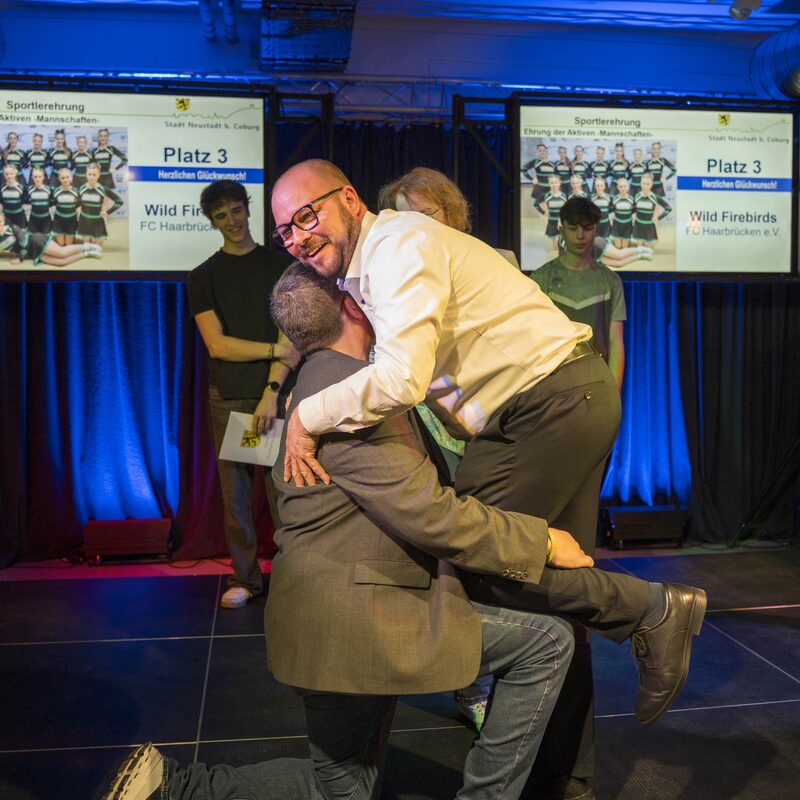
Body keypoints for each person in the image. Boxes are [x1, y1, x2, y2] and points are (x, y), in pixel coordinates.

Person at [103, 262, 705, 800]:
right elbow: (429, 514)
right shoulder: (342, 395)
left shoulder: (335, 381)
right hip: (356, 617)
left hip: (332, 610)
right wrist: (541, 540)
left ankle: (170, 787)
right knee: (544, 643)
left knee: (337, 789)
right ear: (350, 306)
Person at [270, 160, 706, 800]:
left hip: (548, 406)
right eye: (284, 230)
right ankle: (565, 777)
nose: (298, 237)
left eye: (307, 216)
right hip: (562, 402)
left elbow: (401, 380)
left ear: (350, 199)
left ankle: (654, 609)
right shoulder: (373, 267)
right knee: (540, 594)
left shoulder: (396, 247)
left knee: (483, 565)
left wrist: (305, 416)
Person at [186, 179, 300, 609]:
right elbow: (218, 346)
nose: (232, 221)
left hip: (277, 395)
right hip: (231, 398)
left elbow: (290, 335)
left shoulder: (280, 267)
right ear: (212, 222)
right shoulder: (203, 276)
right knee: (236, 497)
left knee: (285, 493)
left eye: (236, 210)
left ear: (248, 209)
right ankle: (246, 580)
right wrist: (273, 352)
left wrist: (271, 391)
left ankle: (293, 579)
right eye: (221, 216)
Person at [533, 197, 626, 389]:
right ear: (561, 230)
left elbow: (615, 343)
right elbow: (533, 340)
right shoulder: (541, 279)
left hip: (596, 383)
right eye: (573, 228)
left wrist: (612, 396)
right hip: (552, 385)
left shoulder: (610, 281)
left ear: (596, 231)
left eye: (587, 228)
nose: (580, 235)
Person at [378, 166, 520, 268]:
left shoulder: (499, 260)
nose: (418, 226)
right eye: (408, 219)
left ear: (450, 211)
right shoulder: (397, 269)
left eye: (425, 214)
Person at [0, 209, 101, 266]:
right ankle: (87, 253)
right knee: (62, 262)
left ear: (4, 220)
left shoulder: (12, 228)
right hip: (30, 253)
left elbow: (24, 243)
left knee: (62, 253)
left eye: (0, 221)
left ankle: (88, 246)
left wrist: (20, 259)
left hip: (35, 241)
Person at [76, 161, 123, 244]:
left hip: (97, 221)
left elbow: (119, 202)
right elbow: (77, 203)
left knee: (96, 246)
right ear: (86, 174)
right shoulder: (82, 188)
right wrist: (77, 210)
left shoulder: (103, 189)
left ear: (99, 175)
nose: (91, 177)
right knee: (86, 245)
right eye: (89, 174)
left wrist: (107, 212)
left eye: (94, 175)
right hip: (84, 221)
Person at [51, 167, 80, 245]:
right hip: (58, 221)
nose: (65, 180)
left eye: (67, 177)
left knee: (68, 244)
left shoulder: (76, 191)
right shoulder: (56, 191)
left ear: (71, 177)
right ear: (59, 179)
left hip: (71, 221)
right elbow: (52, 203)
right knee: (61, 244)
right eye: (63, 178)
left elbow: (78, 205)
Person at [26, 167, 53, 235]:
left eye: (40, 177)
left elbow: (52, 203)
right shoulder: (29, 190)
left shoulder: (49, 190)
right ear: (32, 178)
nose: (37, 179)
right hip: (33, 219)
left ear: (43, 177)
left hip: (46, 219)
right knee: (33, 238)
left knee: (46, 238)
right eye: (35, 177)